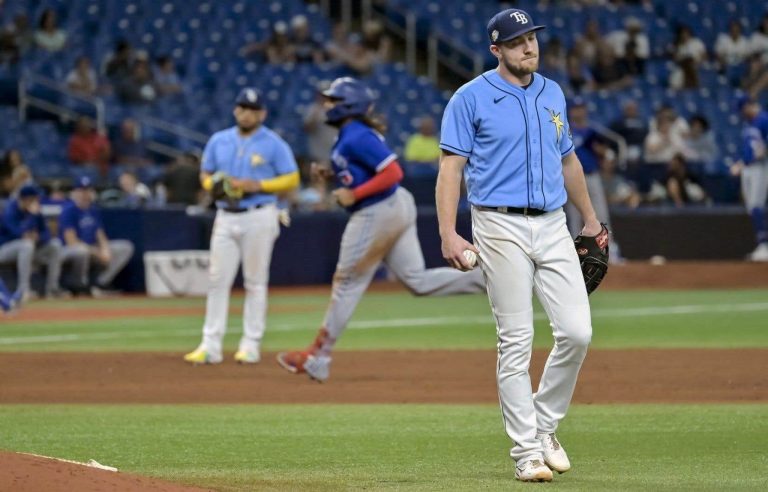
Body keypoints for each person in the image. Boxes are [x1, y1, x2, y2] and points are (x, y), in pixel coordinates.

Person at [435, 9, 602, 483]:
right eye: (517, 42)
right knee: (517, 342)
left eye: (531, 38)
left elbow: (568, 159)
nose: (529, 47)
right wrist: (449, 233)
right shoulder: (470, 98)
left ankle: (545, 425)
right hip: (497, 224)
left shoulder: (552, 91)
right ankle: (526, 452)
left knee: (577, 332)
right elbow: (451, 169)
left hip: (552, 223)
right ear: (497, 50)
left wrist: (589, 218)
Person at [276, 77, 485, 381]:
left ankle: (317, 356)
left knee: (347, 282)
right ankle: (490, 280)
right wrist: (332, 173)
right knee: (417, 281)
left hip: (377, 211)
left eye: (332, 100)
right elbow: (362, 170)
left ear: (348, 105)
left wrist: (355, 194)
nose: (326, 105)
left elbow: (393, 172)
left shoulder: (357, 135)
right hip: (394, 207)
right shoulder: (350, 134)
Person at [184, 87, 300, 365]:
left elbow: (292, 179)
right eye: (242, 108)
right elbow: (206, 173)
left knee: (255, 282)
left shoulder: (273, 143)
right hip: (226, 214)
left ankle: (251, 344)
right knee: (216, 281)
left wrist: (258, 185)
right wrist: (213, 185)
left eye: (253, 109)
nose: (247, 114)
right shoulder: (219, 140)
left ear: (262, 113)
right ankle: (210, 345)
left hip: (259, 212)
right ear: (236, 110)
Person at [564, 99, 622, 260]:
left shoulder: (592, 131)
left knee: (601, 214)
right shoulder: (565, 130)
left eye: (581, 108)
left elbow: (605, 152)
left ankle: (608, 253)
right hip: (572, 179)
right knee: (575, 218)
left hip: (592, 175)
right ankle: (576, 255)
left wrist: (604, 154)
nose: (579, 112)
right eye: (576, 108)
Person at [59, 176, 135, 294]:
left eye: (88, 190)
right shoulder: (69, 210)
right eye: (82, 191)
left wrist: (105, 250)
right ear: (75, 192)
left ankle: (101, 283)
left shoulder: (92, 209)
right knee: (81, 250)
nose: (85, 194)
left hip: (92, 247)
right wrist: (97, 253)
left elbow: (100, 233)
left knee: (125, 247)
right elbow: (71, 241)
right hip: (71, 250)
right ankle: (79, 285)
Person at [0, 184, 64, 302]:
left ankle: (52, 288)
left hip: (29, 250)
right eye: (33, 199)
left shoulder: (36, 212)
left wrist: (39, 237)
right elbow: (17, 233)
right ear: (24, 199)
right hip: (5, 250)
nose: (36, 201)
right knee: (26, 244)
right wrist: (32, 217)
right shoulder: (10, 210)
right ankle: (23, 290)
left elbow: (47, 233)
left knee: (55, 244)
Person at [730, 95, 768, 261]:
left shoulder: (764, 119)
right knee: (752, 207)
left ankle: (764, 246)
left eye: (742, 109)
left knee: (756, 206)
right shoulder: (749, 124)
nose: (741, 113)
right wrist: (740, 163)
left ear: (748, 106)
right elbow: (748, 149)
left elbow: (762, 149)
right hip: (749, 168)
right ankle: (761, 245)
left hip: (761, 167)